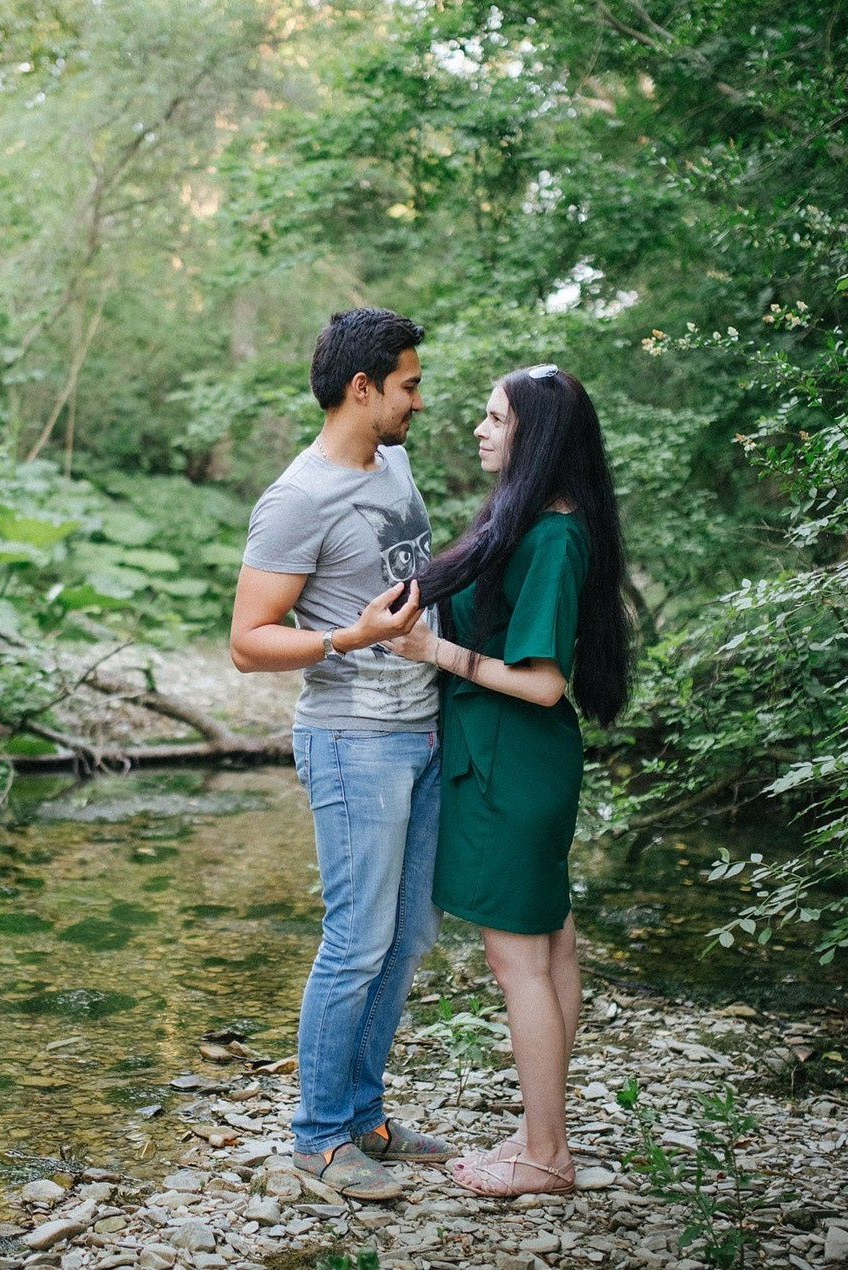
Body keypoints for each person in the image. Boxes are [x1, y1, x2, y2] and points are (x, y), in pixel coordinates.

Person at [386, 363, 633, 1197]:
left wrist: (435, 652)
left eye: (496, 419)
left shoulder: (554, 536)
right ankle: (541, 1135)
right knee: (551, 946)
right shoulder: (533, 519)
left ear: (539, 436)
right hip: (517, 759)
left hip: (512, 762)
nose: (480, 430)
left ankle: (546, 1158)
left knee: (517, 960)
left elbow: (543, 683)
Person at [230, 307, 456, 1201]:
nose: (418, 401)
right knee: (355, 942)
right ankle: (319, 1139)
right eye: (408, 385)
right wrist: (346, 638)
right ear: (363, 388)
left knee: (404, 938)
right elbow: (248, 642)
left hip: (423, 732)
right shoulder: (297, 499)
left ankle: (365, 1117)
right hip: (352, 740)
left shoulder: (393, 462)